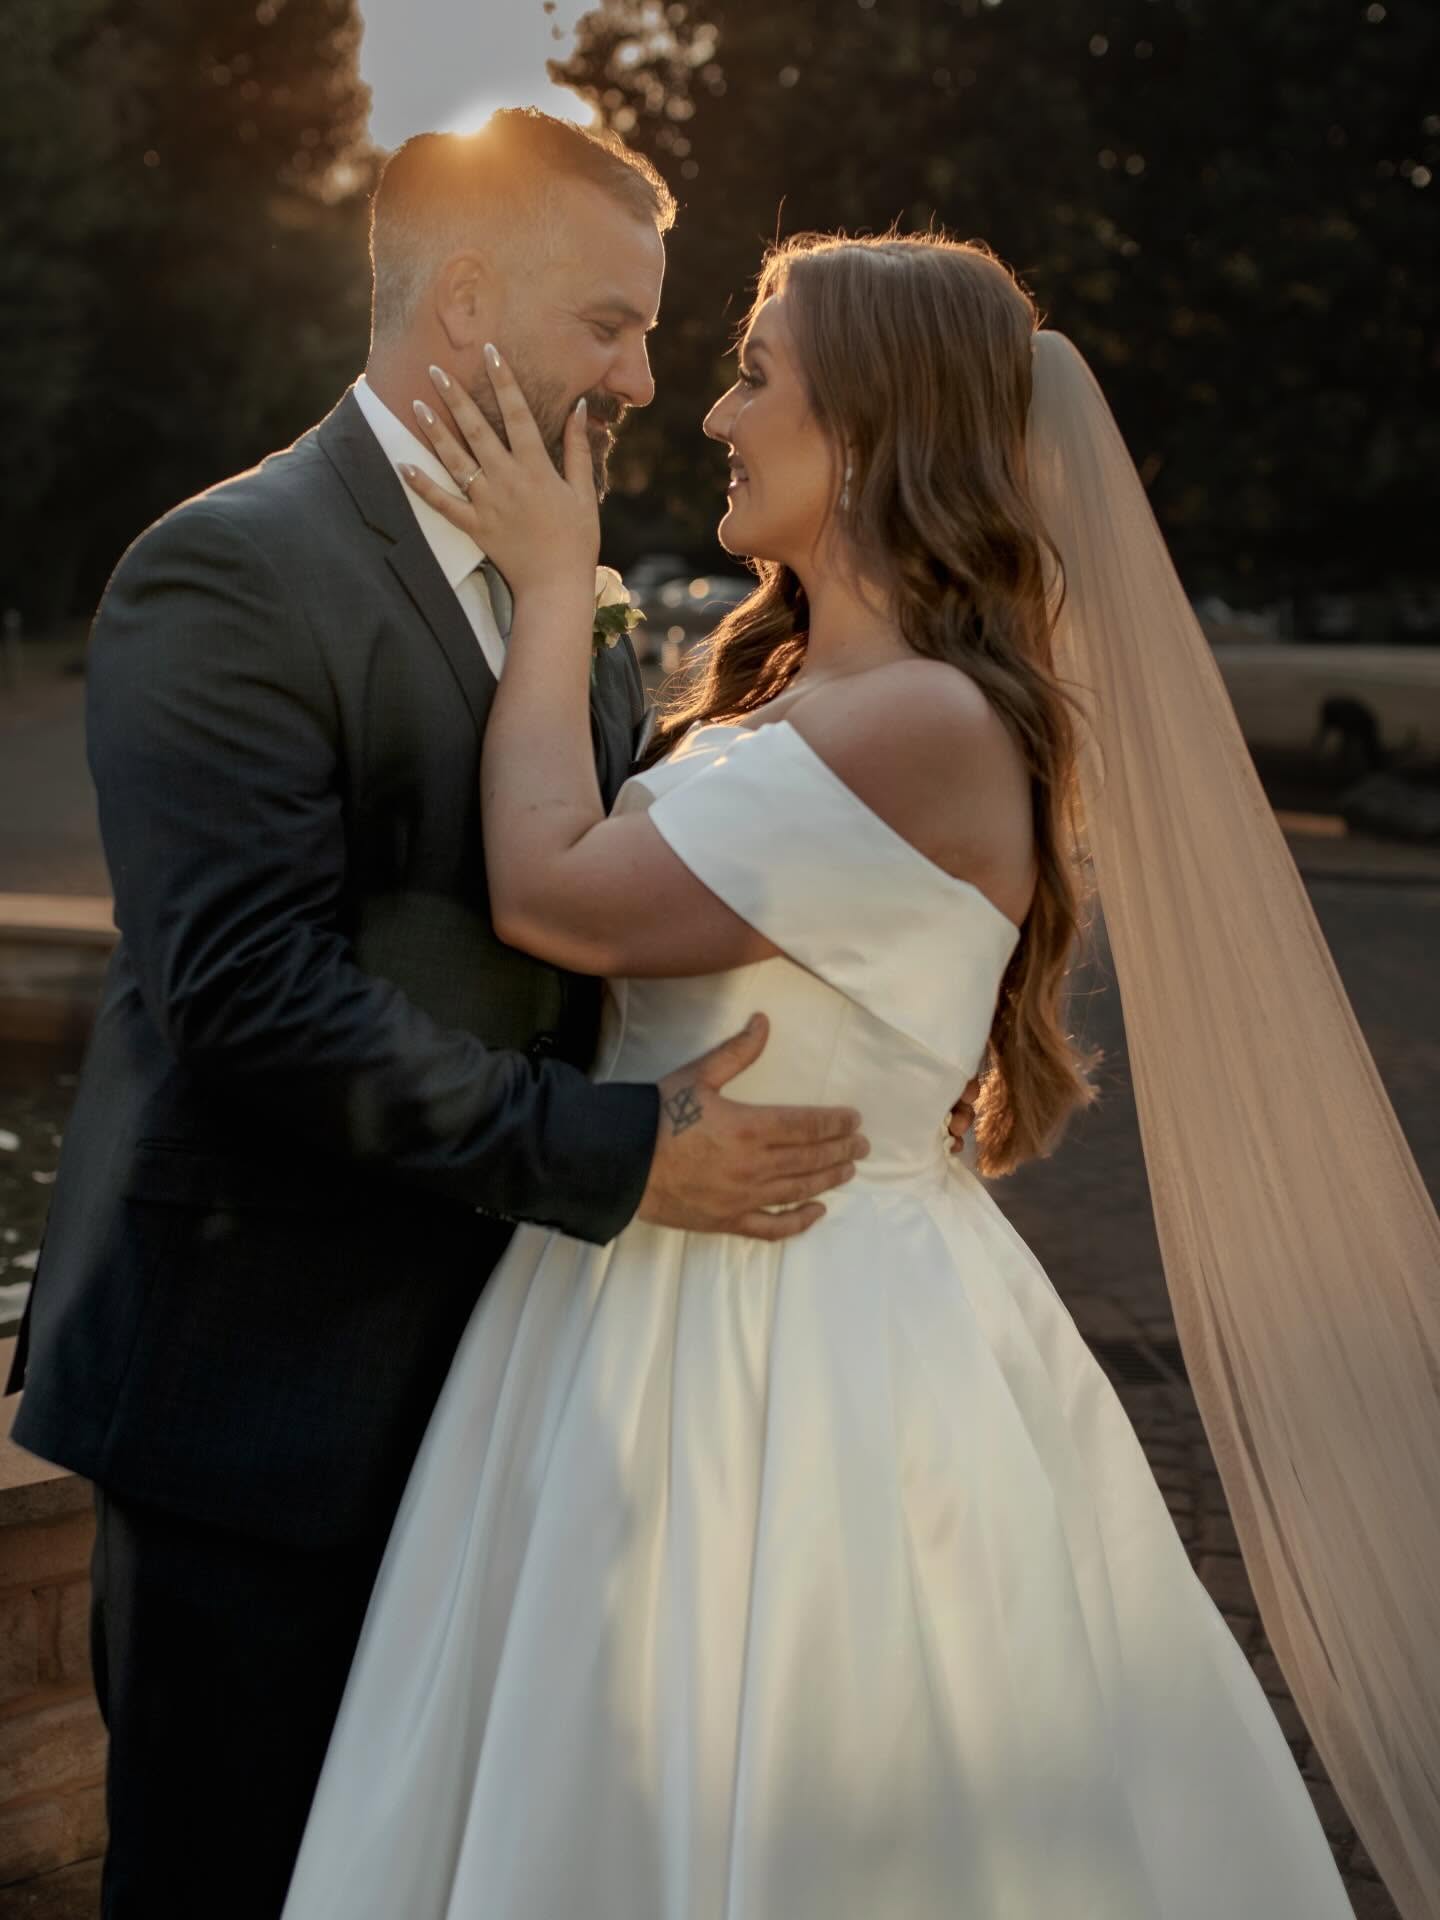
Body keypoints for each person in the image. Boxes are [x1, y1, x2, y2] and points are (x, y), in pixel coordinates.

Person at [277, 232, 1371, 1916]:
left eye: (755, 371)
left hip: (794, 1334)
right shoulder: (794, 696)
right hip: (643, 1289)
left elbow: (552, 893)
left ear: (864, 428)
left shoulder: (924, 722)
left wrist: (556, 584)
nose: (716, 413)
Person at [6, 118, 919, 1920]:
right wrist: (622, 1157)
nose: (643, 379)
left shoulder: (561, 587)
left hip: (497, 1388)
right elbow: (248, 997)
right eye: (611, 325)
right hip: (256, 1392)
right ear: (473, 300)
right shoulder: (227, 571)